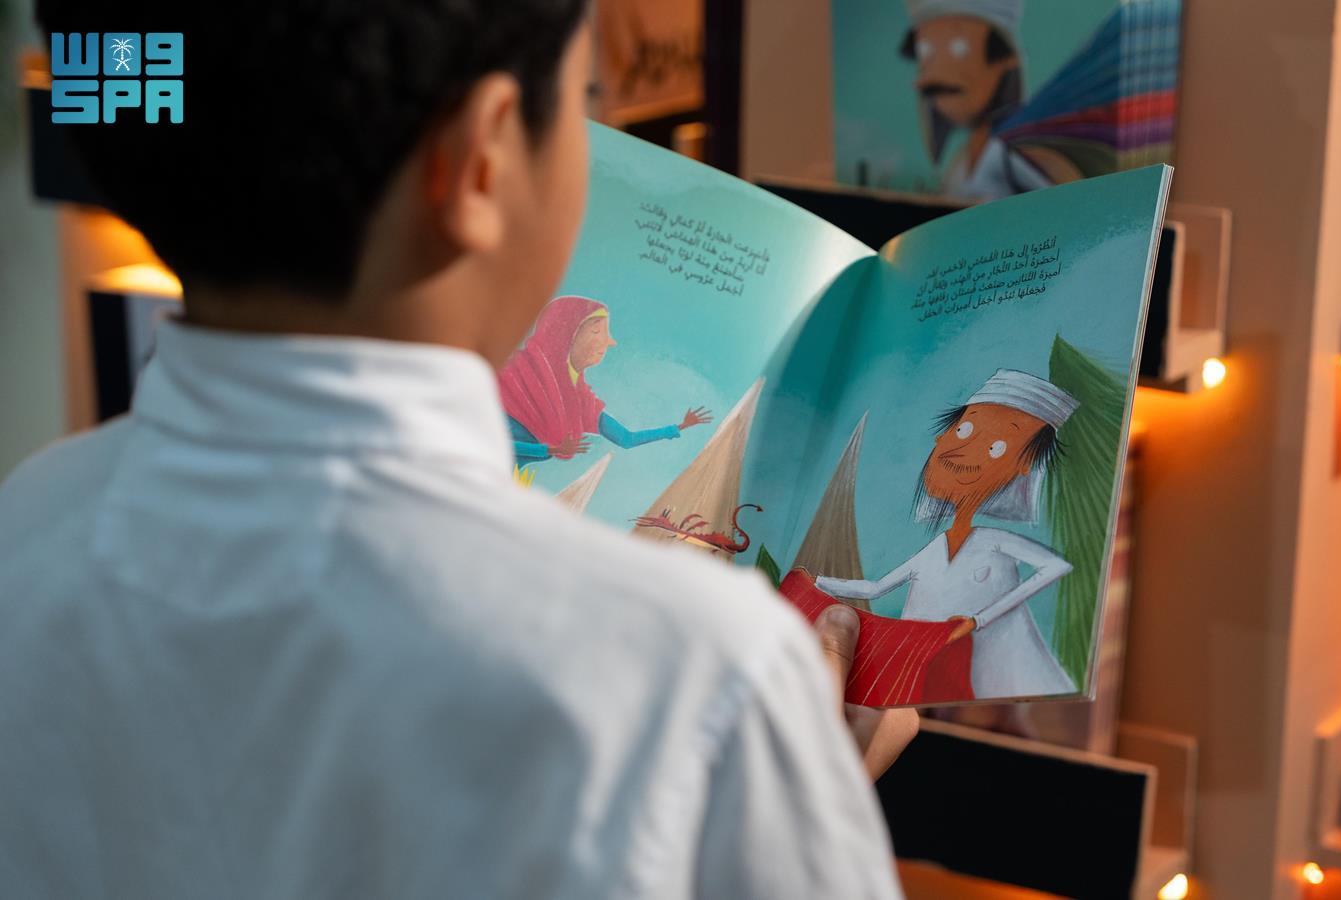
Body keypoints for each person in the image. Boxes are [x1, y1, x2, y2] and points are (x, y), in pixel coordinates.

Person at [0, 2, 913, 898]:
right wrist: (798, 795)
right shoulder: (697, 673)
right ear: (483, 155)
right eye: (579, 106)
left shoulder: (25, 528)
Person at [818, 370, 1079, 699]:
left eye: (996, 446)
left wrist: (978, 620)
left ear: (1023, 466)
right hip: (920, 672)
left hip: (989, 682)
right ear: (942, 436)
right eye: (963, 430)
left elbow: (1056, 566)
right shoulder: (935, 548)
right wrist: (817, 582)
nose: (963, 450)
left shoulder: (992, 542)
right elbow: (876, 587)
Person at [499, 294, 711, 468]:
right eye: (596, 331)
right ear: (564, 335)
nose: (610, 341)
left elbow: (626, 439)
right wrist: (548, 449)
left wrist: (679, 427)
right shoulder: (511, 377)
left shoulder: (581, 402)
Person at [900, 0, 1058, 199]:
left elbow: (1053, 202)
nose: (933, 76)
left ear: (1006, 59)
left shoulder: (1011, 152)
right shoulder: (961, 161)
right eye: (925, 52)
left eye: (959, 48)